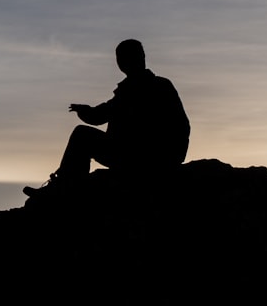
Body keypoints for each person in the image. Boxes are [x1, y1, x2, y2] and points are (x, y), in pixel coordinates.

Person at [23, 39, 189, 196]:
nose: (122, 61)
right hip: (143, 157)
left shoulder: (147, 88)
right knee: (83, 136)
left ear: (140, 57)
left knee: (82, 136)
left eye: (124, 57)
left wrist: (167, 160)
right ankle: (67, 183)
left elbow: (101, 115)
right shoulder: (145, 87)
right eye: (120, 57)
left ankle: (66, 187)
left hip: (137, 158)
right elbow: (103, 113)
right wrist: (86, 111)